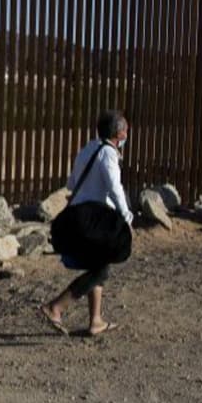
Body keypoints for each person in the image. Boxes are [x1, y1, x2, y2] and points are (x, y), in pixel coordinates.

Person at [39, 109, 133, 336]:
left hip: (77, 216)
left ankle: (96, 320)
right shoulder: (109, 154)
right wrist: (127, 216)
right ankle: (56, 307)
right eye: (126, 130)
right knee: (101, 270)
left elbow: (71, 184)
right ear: (119, 133)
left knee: (98, 264)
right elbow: (114, 186)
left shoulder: (87, 149)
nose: (127, 135)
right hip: (94, 219)